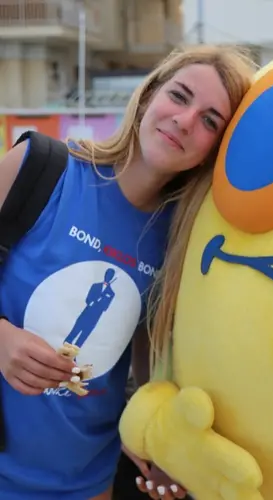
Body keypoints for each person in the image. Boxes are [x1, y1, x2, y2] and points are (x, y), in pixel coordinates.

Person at [0, 44, 255, 500]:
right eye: (179, 96)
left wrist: (157, 443)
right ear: (149, 94)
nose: (185, 120)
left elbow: (146, 363)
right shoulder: (40, 168)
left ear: (214, 149)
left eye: (210, 120)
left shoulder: (180, 240)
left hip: (86, 482)